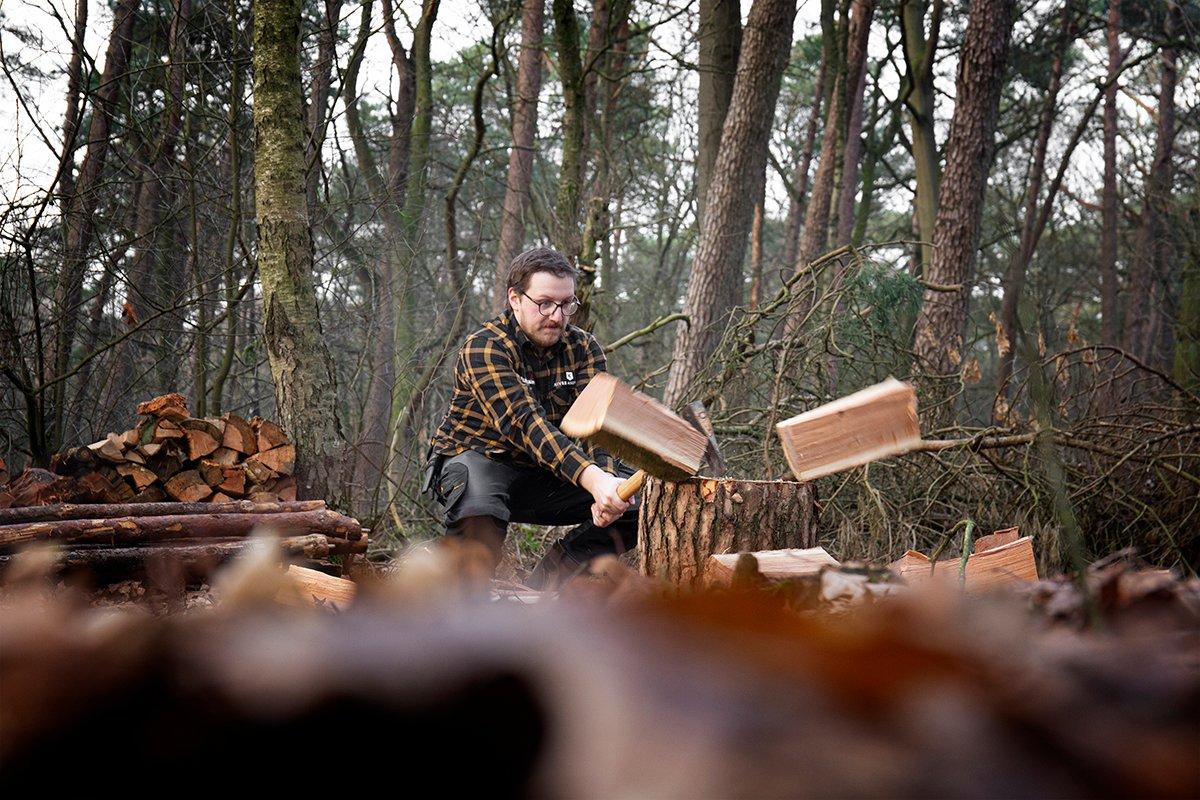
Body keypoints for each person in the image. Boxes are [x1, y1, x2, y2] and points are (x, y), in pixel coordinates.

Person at [423, 247, 638, 588]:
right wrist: (593, 479)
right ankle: (461, 605)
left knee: (636, 502)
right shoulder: (485, 347)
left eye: (567, 304)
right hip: (480, 460)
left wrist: (609, 487)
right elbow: (524, 424)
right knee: (480, 509)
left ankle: (549, 582)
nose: (557, 316)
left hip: (545, 472)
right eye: (545, 303)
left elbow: (597, 430)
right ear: (515, 298)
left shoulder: (584, 349)